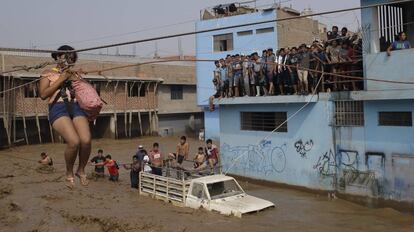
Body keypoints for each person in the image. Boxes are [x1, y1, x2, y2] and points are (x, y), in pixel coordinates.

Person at [39, 45, 91, 189]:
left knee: (86, 140)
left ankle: (81, 170)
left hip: (76, 106)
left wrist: (77, 77)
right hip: (58, 107)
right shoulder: (47, 73)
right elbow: (43, 94)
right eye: (66, 58)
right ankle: (69, 173)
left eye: (72, 59)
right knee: (73, 142)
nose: (69, 61)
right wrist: (62, 78)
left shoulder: (74, 73)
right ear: (57, 57)